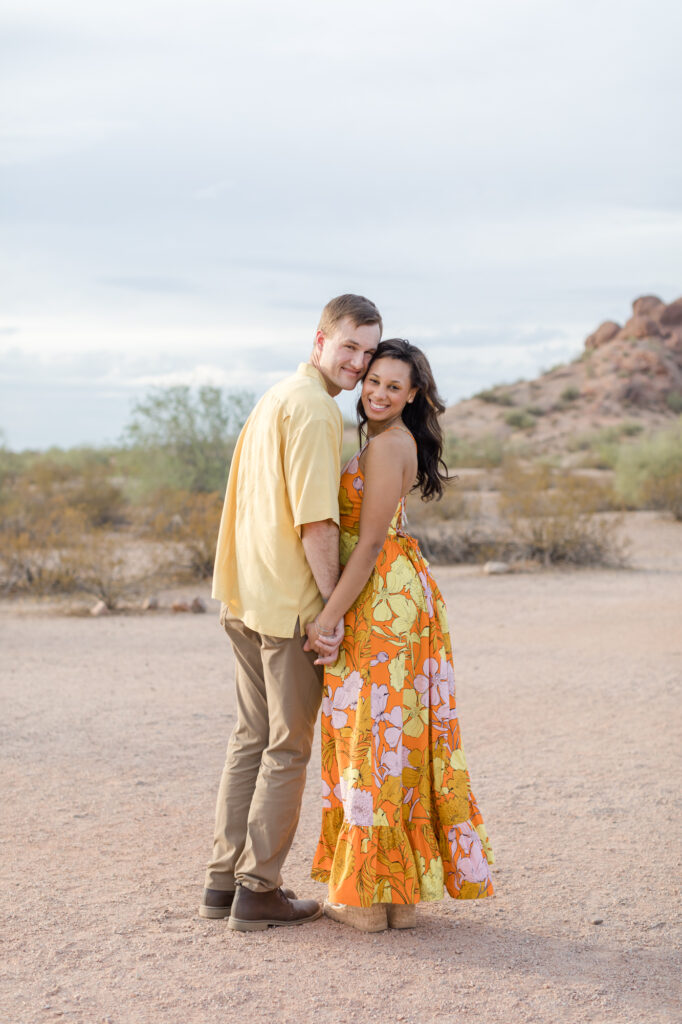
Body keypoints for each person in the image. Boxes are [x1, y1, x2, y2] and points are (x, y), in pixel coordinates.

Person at [199, 294, 383, 932]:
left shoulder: (276, 396)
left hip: (244, 597)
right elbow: (316, 523)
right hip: (286, 611)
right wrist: (331, 613)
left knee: (251, 739)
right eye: (349, 347)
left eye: (368, 351)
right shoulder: (314, 411)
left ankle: (222, 884)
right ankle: (259, 889)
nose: (358, 363)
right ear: (320, 341)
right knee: (287, 749)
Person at [308, 338, 494, 931]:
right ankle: (398, 898)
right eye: (374, 382)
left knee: (370, 736)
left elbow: (367, 546)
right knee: (396, 740)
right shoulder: (387, 441)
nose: (380, 393)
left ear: (413, 394)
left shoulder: (389, 446)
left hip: (381, 602)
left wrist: (329, 616)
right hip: (396, 596)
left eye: (394, 385)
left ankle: (364, 901)